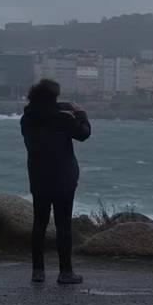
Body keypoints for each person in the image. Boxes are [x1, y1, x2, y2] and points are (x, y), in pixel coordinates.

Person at [20, 79, 91, 285]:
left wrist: (58, 108)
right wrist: (81, 114)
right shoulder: (63, 119)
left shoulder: (27, 120)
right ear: (53, 98)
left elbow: (41, 112)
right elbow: (84, 134)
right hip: (64, 179)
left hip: (38, 177)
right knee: (63, 224)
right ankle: (65, 272)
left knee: (39, 223)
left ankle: (38, 271)